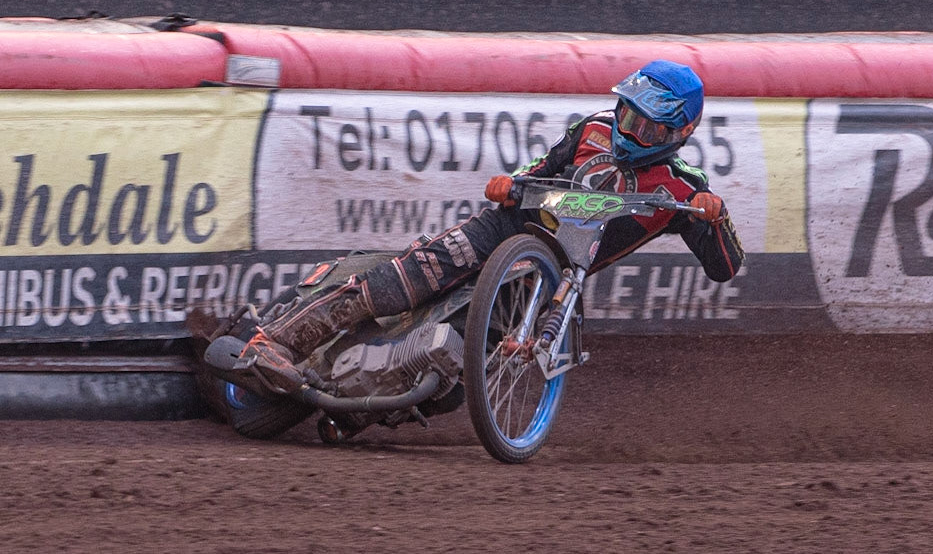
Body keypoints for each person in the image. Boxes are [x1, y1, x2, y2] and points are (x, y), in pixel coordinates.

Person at [240, 59, 745, 385]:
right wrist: (511, 182)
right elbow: (539, 170)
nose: (628, 129)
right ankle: (275, 342)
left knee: (466, 359)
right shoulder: (591, 129)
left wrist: (715, 217)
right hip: (506, 228)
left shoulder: (684, 187)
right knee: (405, 279)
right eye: (626, 114)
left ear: (679, 130)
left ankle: (364, 400)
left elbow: (725, 267)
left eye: (645, 123)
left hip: (551, 279)